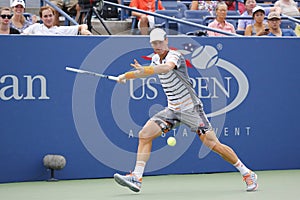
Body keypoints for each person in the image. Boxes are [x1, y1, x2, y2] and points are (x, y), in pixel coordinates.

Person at [113, 28, 258, 193]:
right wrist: (124, 76)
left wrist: (145, 70)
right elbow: (142, 73)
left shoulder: (175, 56)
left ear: (167, 41)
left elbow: (166, 68)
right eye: (154, 43)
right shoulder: (154, 58)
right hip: (172, 110)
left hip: (191, 109)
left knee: (213, 144)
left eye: (160, 42)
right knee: (144, 135)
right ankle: (136, 178)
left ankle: (247, 173)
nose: (157, 45)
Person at [22, 6, 91, 35]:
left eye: (50, 15)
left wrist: (83, 30)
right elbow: (21, 36)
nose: (48, 18)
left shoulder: (61, 30)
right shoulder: (35, 27)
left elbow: (83, 26)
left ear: (54, 16)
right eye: (45, 16)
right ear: (41, 18)